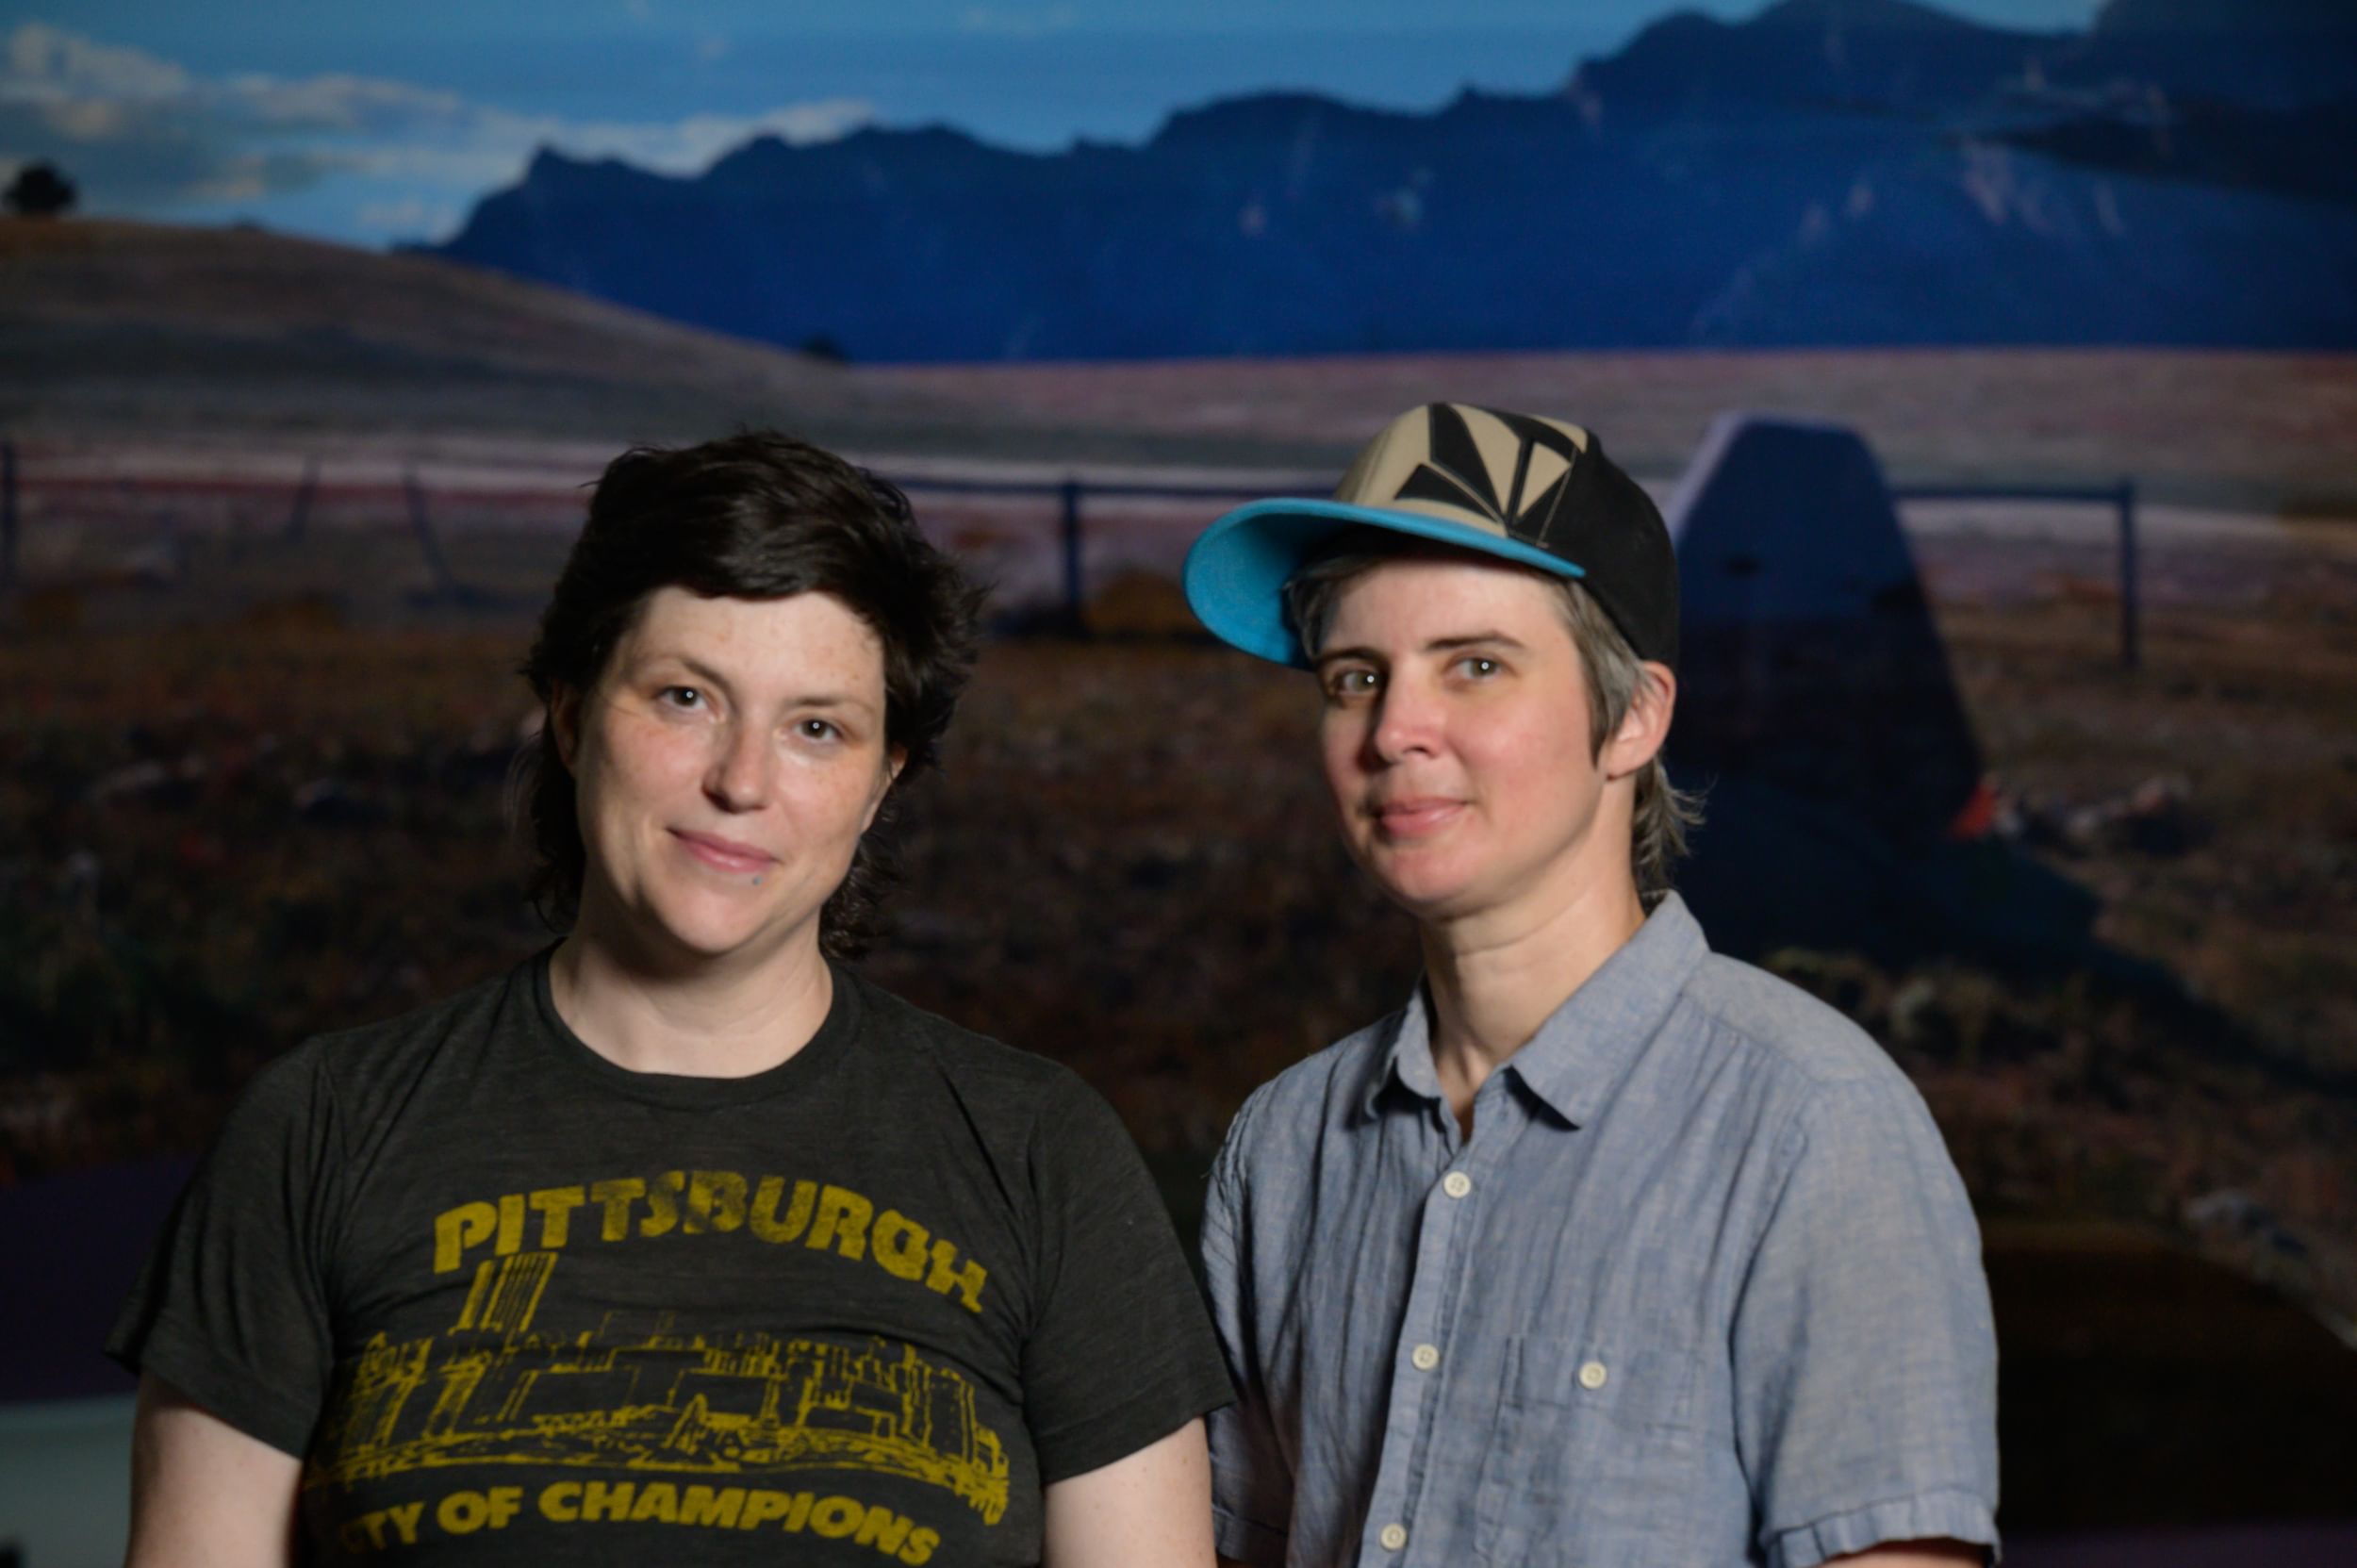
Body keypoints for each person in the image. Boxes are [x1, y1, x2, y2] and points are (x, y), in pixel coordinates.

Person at [110, 432, 1232, 1566]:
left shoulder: (1041, 1156)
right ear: (569, 710)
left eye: (816, 728)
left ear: (885, 778)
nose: (741, 780)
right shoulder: (319, 1133)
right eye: (686, 696)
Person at [1180, 404, 1999, 1568]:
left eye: (1474, 665)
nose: (1395, 729)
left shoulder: (1811, 1127)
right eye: (1355, 675)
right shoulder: (1282, 1149)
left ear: (1632, 717)